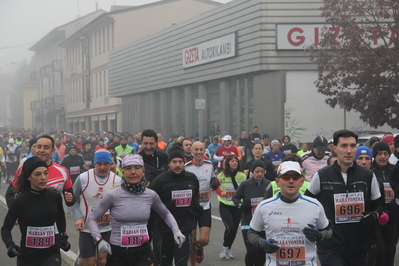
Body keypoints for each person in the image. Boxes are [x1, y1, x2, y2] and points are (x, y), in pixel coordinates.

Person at [87, 154, 185, 266]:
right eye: (128, 168)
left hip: (142, 250)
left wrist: (176, 230)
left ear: (143, 171)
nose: (133, 172)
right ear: (123, 172)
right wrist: (99, 240)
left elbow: (166, 214)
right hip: (118, 251)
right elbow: (92, 219)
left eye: (137, 168)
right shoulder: (113, 195)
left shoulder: (151, 195)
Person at [305, 129, 383, 265]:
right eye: (344, 146)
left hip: (359, 246)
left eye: (352, 146)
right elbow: (307, 204)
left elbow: (379, 205)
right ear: (334, 148)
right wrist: (318, 228)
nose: (349, 151)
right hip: (331, 246)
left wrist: (373, 215)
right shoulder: (322, 175)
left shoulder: (368, 176)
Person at [247, 161, 332, 266]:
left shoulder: (315, 205)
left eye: (295, 177)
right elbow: (251, 233)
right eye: (286, 177)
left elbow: (328, 231)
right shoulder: (264, 206)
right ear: (278, 182)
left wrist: (320, 235)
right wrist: (262, 243)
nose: (291, 181)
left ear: (301, 182)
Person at [1, 156, 71, 266]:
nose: (43, 177)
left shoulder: (55, 197)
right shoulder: (20, 201)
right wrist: (10, 245)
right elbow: (5, 229)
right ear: (29, 177)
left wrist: (63, 237)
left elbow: (60, 218)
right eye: (38, 174)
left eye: (45, 173)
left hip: (51, 253)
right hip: (27, 256)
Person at [150, 147, 201, 266]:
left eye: (180, 162)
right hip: (164, 230)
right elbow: (150, 204)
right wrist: (168, 206)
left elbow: (195, 196)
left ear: (184, 162)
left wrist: (195, 210)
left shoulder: (191, 178)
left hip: (185, 227)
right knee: (165, 263)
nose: (177, 165)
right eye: (174, 162)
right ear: (169, 164)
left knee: (181, 263)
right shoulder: (160, 181)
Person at [71, 149, 121, 266]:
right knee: (88, 262)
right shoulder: (83, 178)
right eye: (99, 164)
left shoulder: (117, 181)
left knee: (102, 261)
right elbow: (73, 201)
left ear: (110, 164)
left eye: (106, 164)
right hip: (87, 229)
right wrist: (78, 217)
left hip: (107, 229)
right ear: (94, 164)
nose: (102, 167)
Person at [232, 160, 270, 266]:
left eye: (262, 172)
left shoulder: (269, 185)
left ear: (264, 172)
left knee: (262, 252)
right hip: (248, 222)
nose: (259, 174)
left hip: (263, 224)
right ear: (252, 172)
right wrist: (242, 205)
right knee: (252, 251)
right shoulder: (245, 184)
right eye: (257, 171)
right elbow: (235, 198)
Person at [185, 142, 217, 265]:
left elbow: (213, 180)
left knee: (204, 240)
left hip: (205, 206)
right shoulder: (187, 167)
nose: (199, 152)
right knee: (192, 241)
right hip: (191, 207)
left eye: (201, 149)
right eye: (196, 149)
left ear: (204, 151)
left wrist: (215, 184)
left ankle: (200, 247)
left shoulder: (209, 165)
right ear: (191, 151)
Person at [215, 154, 246, 259]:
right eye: (232, 161)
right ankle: (224, 247)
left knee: (234, 230)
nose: (234, 163)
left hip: (237, 206)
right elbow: (215, 186)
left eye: (236, 161)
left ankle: (228, 249)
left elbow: (245, 188)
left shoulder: (242, 175)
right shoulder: (221, 175)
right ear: (227, 163)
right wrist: (220, 193)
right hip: (225, 205)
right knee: (230, 227)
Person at [370, 142, 397, 266]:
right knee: (379, 251)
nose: (383, 157)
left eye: (386, 154)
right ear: (374, 156)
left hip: (393, 217)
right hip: (377, 217)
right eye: (379, 154)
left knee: (390, 250)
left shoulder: (394, 170)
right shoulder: (371, 172)